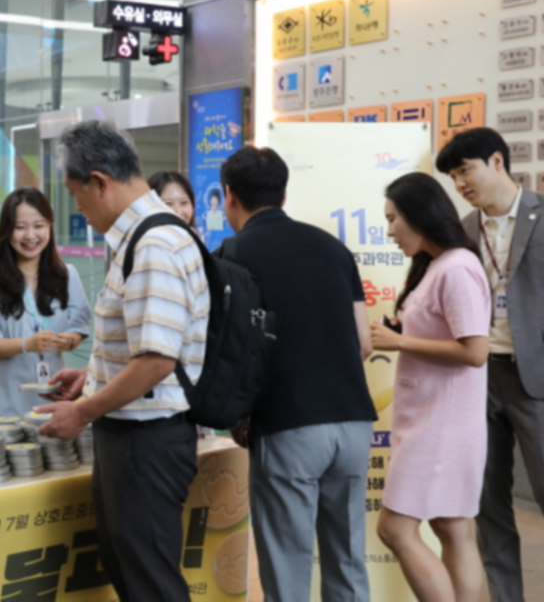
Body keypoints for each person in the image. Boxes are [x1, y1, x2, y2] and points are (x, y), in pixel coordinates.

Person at [35, 120, 210, 601]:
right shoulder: (140, 239)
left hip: (146, 441)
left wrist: (83, 411)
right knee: (131, 571)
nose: (78, 208)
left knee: (151, 584)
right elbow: (142, 350)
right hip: (131, 437)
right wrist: (91, 378)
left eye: (75, 193)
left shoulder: (154, 245)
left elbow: (156, 362)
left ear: (99, 182)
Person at [219, 146, 377, 602]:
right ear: (284, 194)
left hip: (287, 425)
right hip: (353, 423)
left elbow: (231, 351)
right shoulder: (333, 248)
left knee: (288, 568)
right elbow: (364, 342)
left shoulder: (231, 255)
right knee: (348, 561)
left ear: (229, 195)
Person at [370, 172, 490, 602]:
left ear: (420, 215)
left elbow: (475, 351)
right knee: (454, 528)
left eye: (393, 219)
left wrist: (400, 340)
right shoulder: (439, 265)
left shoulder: (456, 268)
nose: (389, 232)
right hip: (434, 417)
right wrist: (404, 330)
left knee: (395, 528)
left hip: (440, 423)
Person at [436, 127, 544, 602]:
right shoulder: (462, 230)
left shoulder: (542, 215)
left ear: (497, 162)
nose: (460, 183)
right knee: (488, 506)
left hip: (535, 377)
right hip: (477, 379)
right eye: (454, 176)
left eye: (466, 170)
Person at [0, 188, 90, 419]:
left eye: (39, 226)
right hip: (8, 397)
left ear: (50, 226)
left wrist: (70, 340)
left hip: (57, 394)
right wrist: (26, 344)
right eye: (20, 227)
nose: (30, 235)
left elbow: (78, 328)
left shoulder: (67, 275)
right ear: (7, 230)